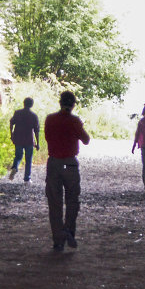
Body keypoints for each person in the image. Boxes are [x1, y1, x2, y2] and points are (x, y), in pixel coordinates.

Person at [43, 90, 90, 251]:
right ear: (73, 104)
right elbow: (86, 140)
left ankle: (58, 239)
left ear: (60, 102)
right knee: (72, 200)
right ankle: (68, 230)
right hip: (70, 163)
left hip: (54, 163)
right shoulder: (74, 121)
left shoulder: (50, 119)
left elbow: (48, 137)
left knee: (54, 202)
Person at [7, 97, 40, 181]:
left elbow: (11, 123)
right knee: (28, 159)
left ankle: (15, 167)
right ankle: (27, 178)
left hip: (18, 138)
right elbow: (36, 131)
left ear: (23, 103)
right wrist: (37, 143)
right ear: (31, 105)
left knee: (18, 156)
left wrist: (12, 135)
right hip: (29, 139)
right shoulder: (33, 116)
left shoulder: (17, 113)